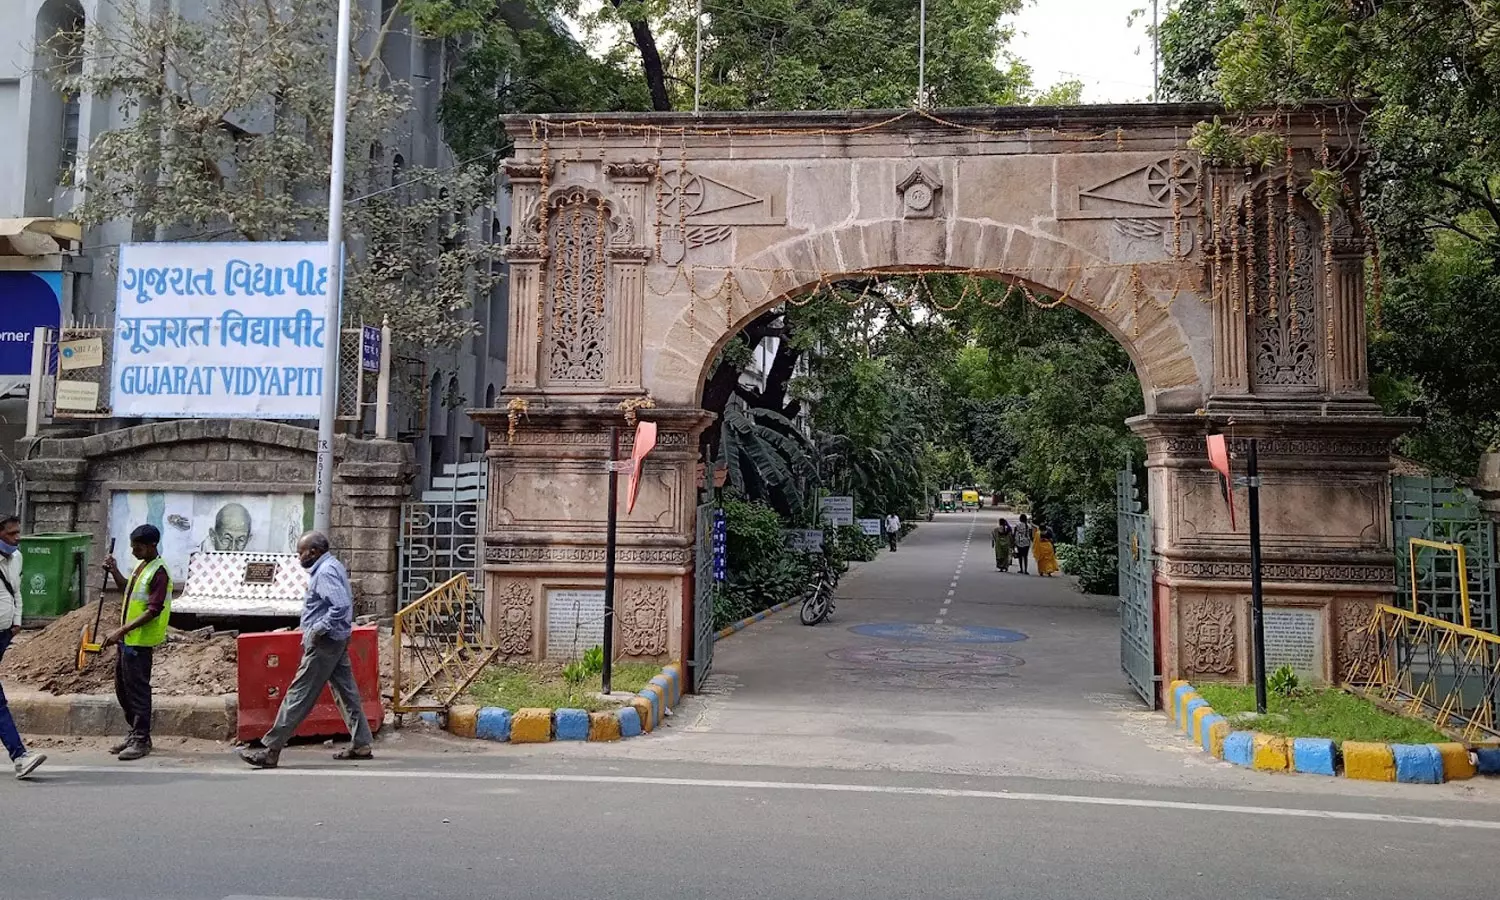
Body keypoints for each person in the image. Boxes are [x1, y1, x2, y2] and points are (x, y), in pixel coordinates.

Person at [241, 531, 372, 769]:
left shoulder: (324, 572)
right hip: (337, 639)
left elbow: (340, 605)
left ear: (314, 552)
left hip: (325, 642)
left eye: (300, 552)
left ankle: (271, 749)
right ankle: (362, 743)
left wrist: (317, 630)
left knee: (299, 694)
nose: (298, 557)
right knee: (346, 692)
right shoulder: (333, 566)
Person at [102, 524, 173, 761]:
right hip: (128, 641)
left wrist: (121, 630)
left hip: (140, 643)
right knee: (123, 690)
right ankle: (134, 733)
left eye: (138, 547)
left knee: (138, 691)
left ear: (152, 545)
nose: (134, 551)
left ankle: (141, 739)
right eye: (132, 547)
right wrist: (114, 570)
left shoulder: (159, 572)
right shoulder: (142, 567)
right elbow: (127, 591)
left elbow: (153, 610)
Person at [0, 516, 45, 779]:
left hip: (4, 634)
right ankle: (20, 756)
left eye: (18, 532)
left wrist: (17, 621)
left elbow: (16, 590)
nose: (17, 538)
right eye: (11, 534)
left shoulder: (16, 557)